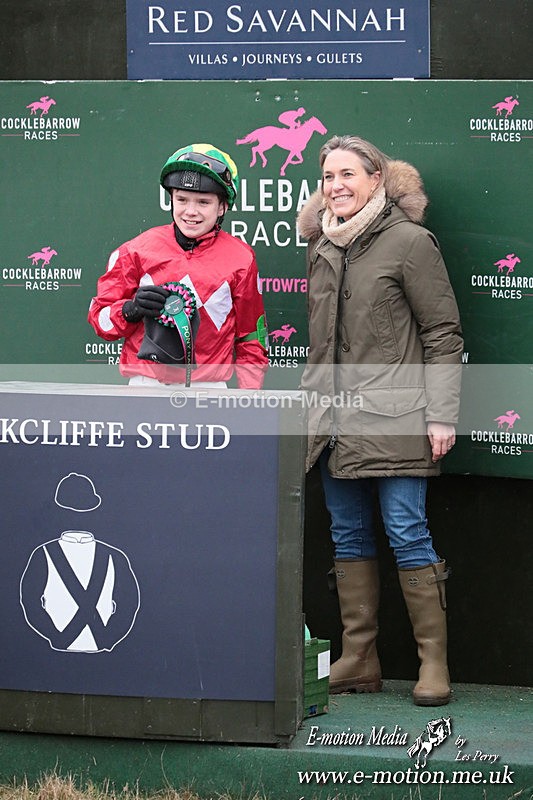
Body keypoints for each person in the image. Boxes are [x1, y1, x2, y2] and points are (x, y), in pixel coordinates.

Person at [297, 135, 463, 706]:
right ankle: (359, 658)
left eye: (348, 174)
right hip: (333, 420)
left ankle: (432, 664)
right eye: (327, 177)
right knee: (347, 534)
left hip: (397, 416)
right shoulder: (322, 247)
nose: (336, 186)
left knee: (406, 532)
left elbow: (443, 335)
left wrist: (442, 414)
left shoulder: (411, 243)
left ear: (377, 179)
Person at [88, 143, 268, 389]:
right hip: (146, 386)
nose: (190, 211)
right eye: (182, 199)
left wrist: (250, 398)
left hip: (209, 389)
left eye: (203, 202)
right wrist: (131, 310)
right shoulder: (135, 250)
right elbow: (100, 321)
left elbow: (251, 339)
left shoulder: (242, 258)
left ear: (223, 207)